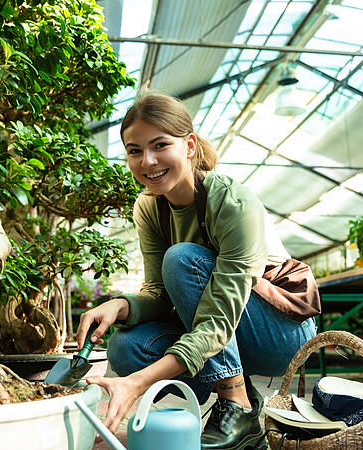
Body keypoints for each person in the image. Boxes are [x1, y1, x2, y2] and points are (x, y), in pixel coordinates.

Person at [75, 92, 317, 450]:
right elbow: (159, 292)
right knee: (127, 347)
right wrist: (120, 306)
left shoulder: (232, 202)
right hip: (225, 330)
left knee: (182, 258)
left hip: (280, 334)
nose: (148, 161)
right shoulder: (149, 208)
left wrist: (139, 383)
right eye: (135, 150)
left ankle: (236, 403)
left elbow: (219, 318)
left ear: (189, 146)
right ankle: (239, 394)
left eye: (160, 145)